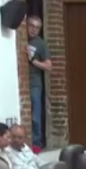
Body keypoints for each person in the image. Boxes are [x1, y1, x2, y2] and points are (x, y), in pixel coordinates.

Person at [26, 15, 52, 149]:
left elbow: (49, 66)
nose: (33, 29)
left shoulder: (40, 43)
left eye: (37, 27)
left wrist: (33, 60)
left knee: (35, 116)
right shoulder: (20, 39)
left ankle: (36, 144)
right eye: (31, 25)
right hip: (21, 82)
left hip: (35, 83)